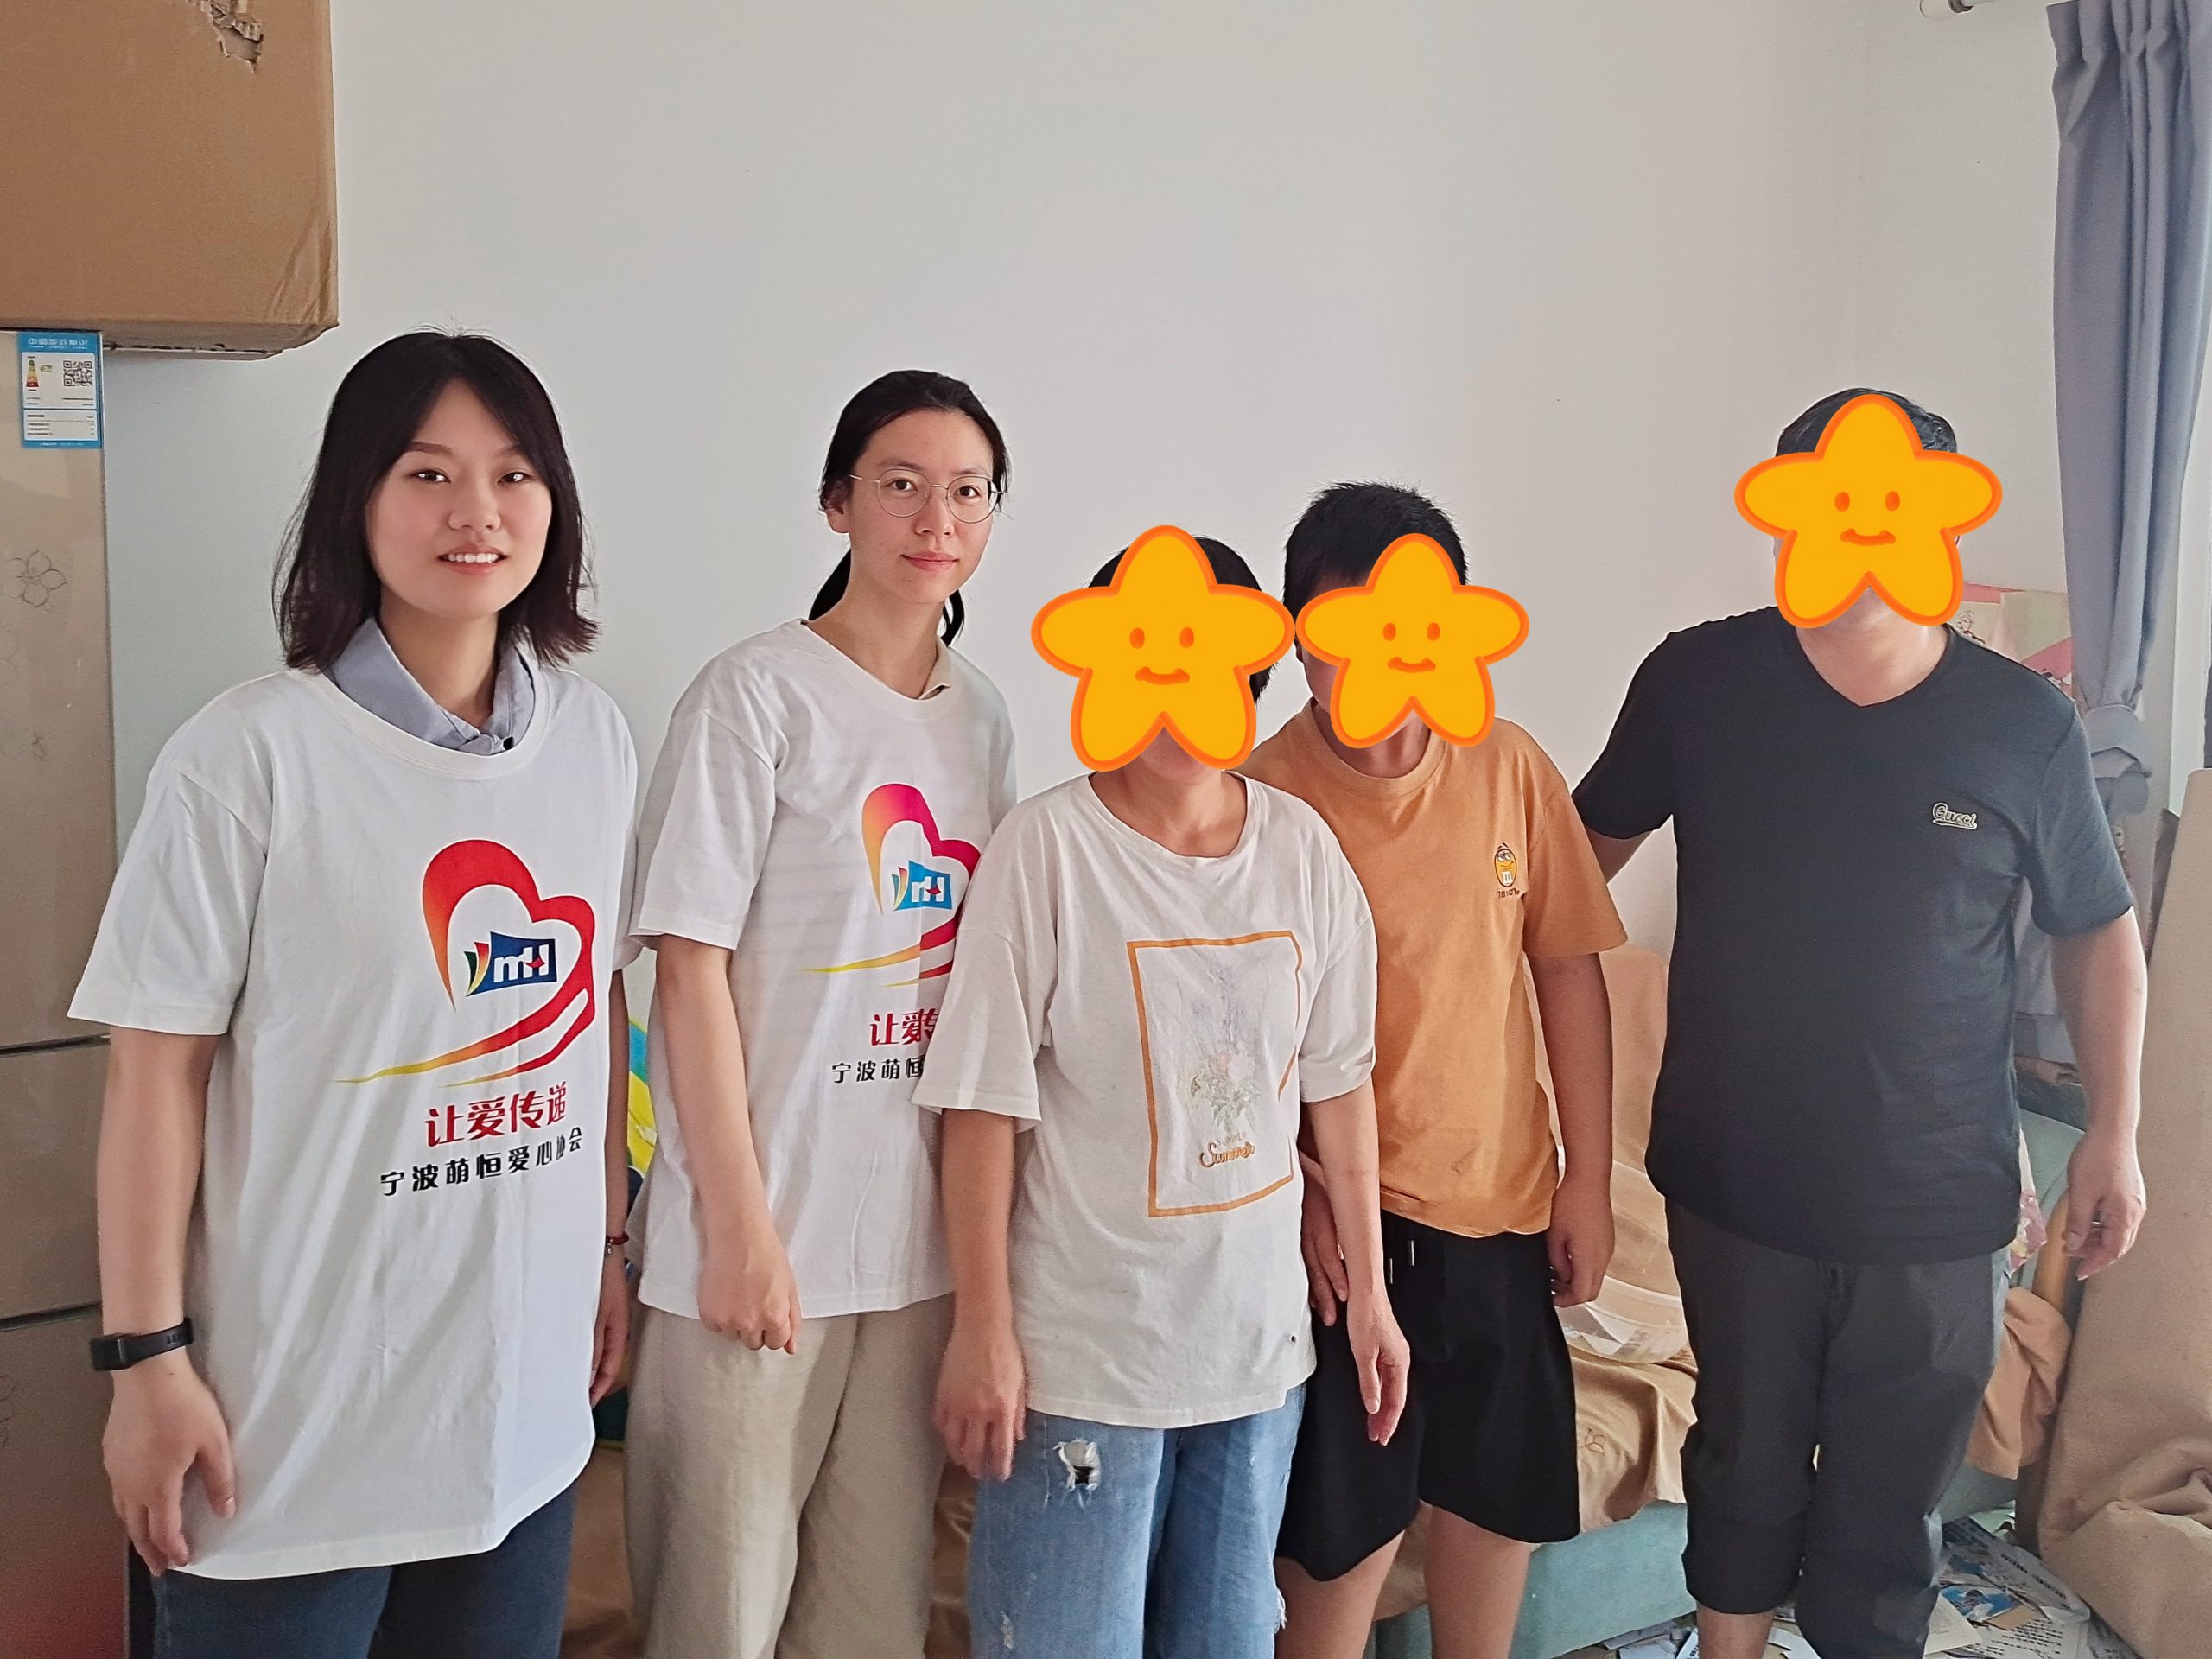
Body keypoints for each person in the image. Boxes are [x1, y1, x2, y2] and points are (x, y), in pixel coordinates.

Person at [76, 331, 637, 1658]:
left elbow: (597, 1004)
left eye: (513, 474)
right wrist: (146, 1361)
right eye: (428, 473)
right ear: (356, 502)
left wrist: (609, 1244)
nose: (476, 511)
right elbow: (155, 1075)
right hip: (287, 1433)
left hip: (518, 1421)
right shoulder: (249, 756)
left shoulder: (595, 740)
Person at [1574, 389, 2149, 1659]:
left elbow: (2097, 927)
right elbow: (1569, 874)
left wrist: (2115, 1132)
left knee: (1888, 1515)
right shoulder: (1698, 682)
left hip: (1935, 1202)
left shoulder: (2023, 721)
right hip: (1735, 1181)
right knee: (1743, 1464)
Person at [920, 537, 1409, 1659]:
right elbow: (981, 1108)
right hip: (1085, 1362)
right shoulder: (1047, 850)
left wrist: (1372, 1299)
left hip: (1257, 1358)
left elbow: (1339, 1084)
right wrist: (983, 1331)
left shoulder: (1302, 850)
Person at [621, 371, 1017, 1659]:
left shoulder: (983, 719)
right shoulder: (755, 694)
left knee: (870, 1620)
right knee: (718, 1619)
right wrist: (737, 1228)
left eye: (968, 491)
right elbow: (687, 969)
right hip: (757, 1247)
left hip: (913, 1260)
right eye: (901, 484)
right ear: (839, 503)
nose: (935, 518)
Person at [1255, 484, 1625, 1659]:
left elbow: (1567, 970)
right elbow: (1228, 1036)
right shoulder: (1259, 797)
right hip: (1347, 1234)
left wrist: (1587, 1181)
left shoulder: (1508, 766)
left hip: (1502, 1211)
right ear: (1298, 636)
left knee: (1492, 1506)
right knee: (1340, 1538)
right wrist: (1300, 1189)